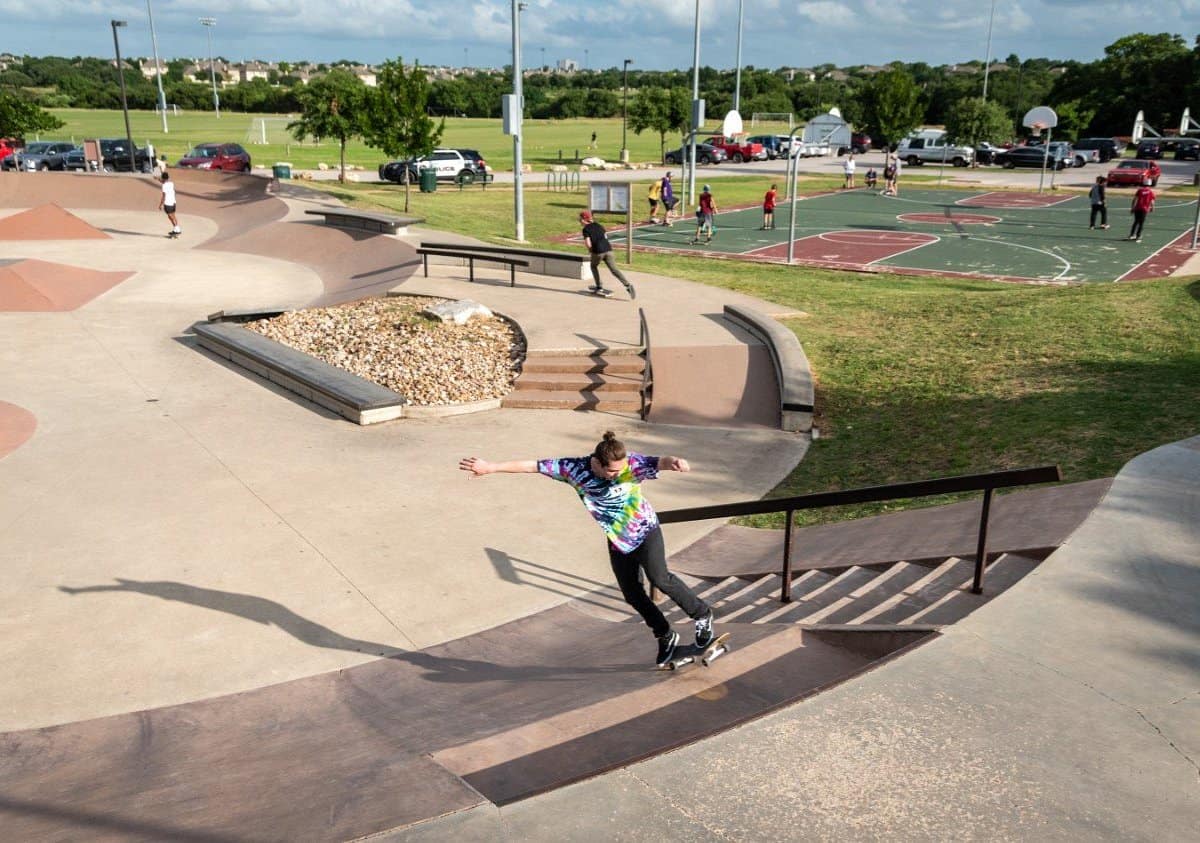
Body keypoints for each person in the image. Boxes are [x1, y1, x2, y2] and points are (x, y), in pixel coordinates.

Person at [458, 431, 715, 667]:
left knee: (659, 578)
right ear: (597, 463)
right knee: (632, 594)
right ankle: (665, 634)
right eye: (613, 472)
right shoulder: (573, 468)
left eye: (621, 469)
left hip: (646, 530)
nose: (619, 474)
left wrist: (675, 461)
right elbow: (532, 466)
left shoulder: (631, 464)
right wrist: (491, 467)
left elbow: (659, 461)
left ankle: (702, 615)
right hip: (618, 540)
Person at [579, 211, 636, 299]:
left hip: (598, 251)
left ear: (584, 220)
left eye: (580, 219)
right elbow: (605, 237)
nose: (580, 221)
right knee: (614, 270)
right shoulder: (599, 225)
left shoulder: (586, 229)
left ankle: (599, 286)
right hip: (609, 250)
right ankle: (628, 285)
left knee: (593, 266)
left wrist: (591, 250)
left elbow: (588, 243)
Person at [158, 171, 181, 239]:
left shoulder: (164, 186)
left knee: (170, 216)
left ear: (163, 178)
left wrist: (160, 205)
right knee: (172, 216)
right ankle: (175, 230)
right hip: (173, 202)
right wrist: (158, 179)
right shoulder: (171, 183)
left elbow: (163, 196)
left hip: (168, 203)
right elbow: (164, 182)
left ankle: (178, 229)